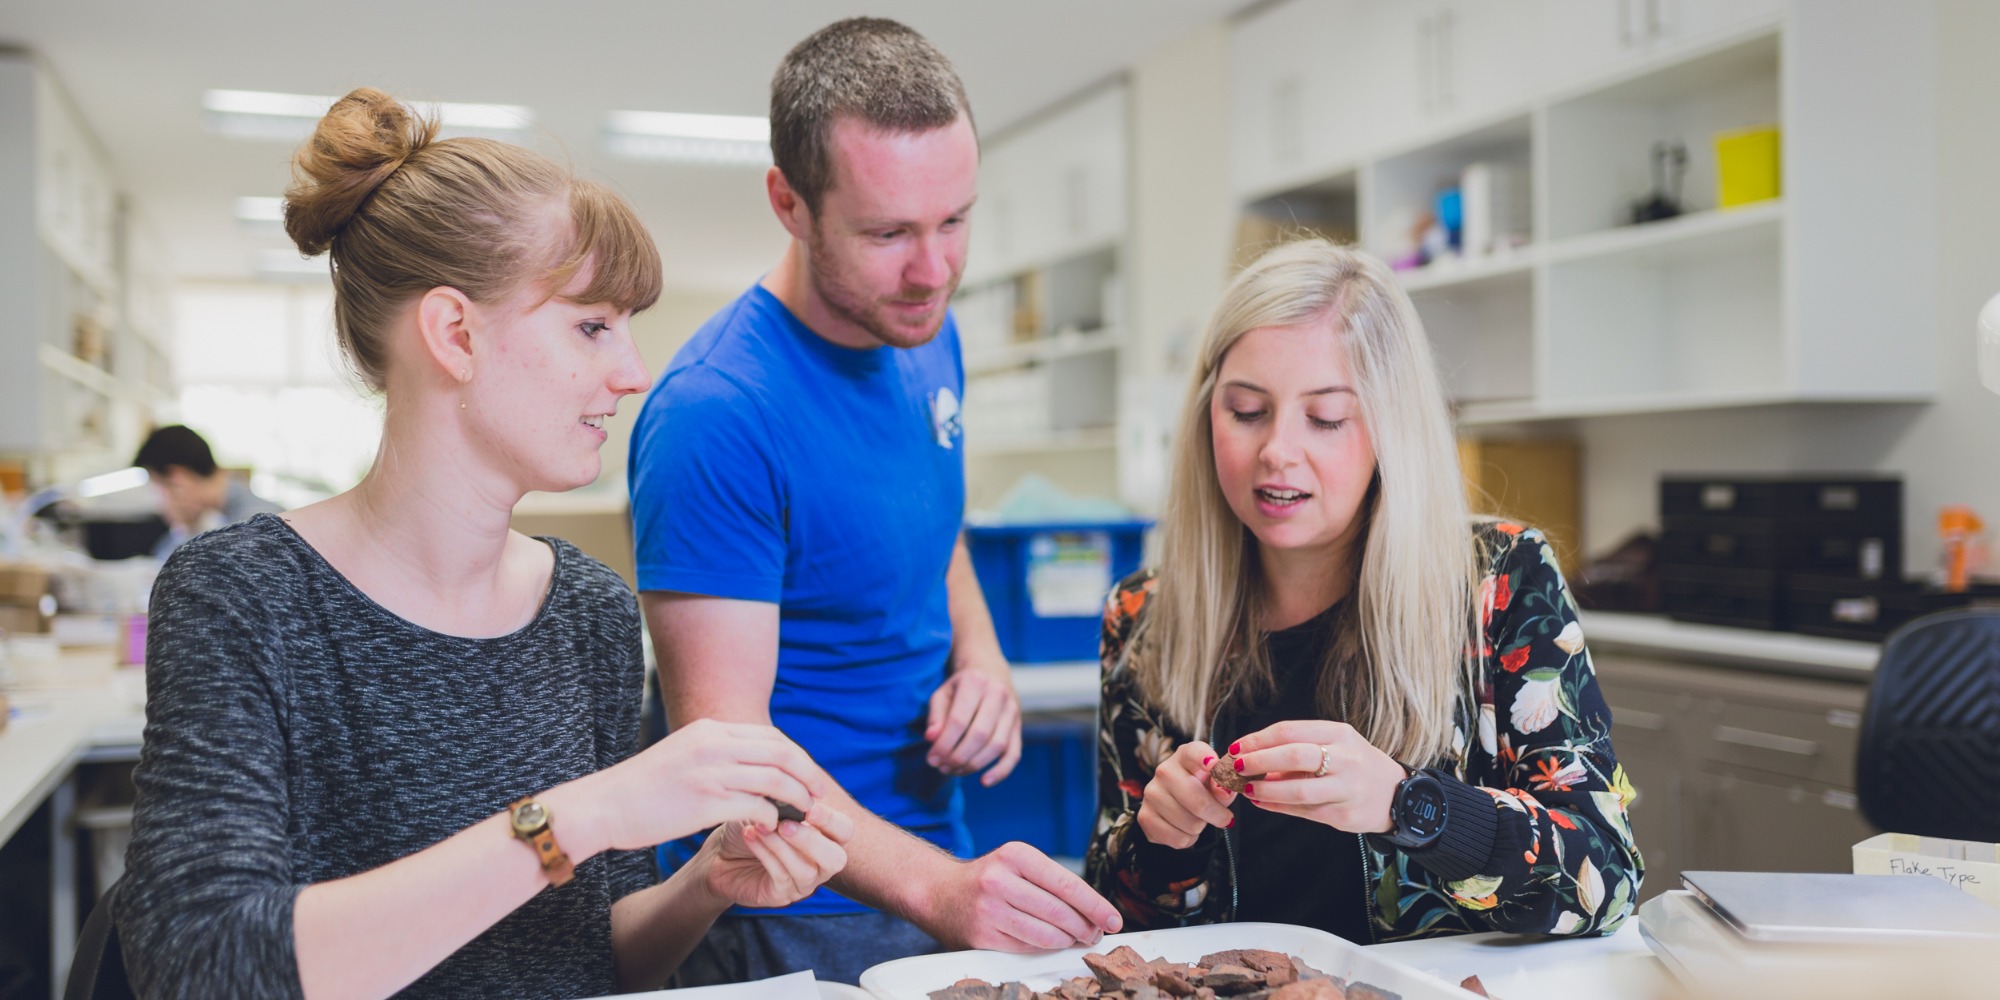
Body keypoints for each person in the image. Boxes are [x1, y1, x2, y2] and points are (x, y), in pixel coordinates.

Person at [114, 88, 853, 1000]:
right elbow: (202, 963)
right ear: (455, 334)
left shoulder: (588, 610)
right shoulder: (243, 595)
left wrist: (704, 884)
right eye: (592, 325)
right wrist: (584, 814)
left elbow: (591, 956)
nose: (632, 373)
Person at [628, 17, 1120, 986]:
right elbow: (730, 759)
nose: (933, 269)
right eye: (889, 232)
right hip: (786, 905)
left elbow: (933, 536)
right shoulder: (716, 413)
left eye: (954, 221)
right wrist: (941, 891)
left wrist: (981, 660)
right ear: (789, 202)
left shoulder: (920, 333)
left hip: (937, 857)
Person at [1084, 239, 1643, 941]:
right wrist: (1161, 843)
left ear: (1390, 429)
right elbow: (1109, 921)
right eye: (1248, 411)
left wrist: (1410, 806)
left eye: (1325, 418)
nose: (1277, 451)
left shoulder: (1502, 581)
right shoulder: (1143, 617)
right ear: (1206, 419)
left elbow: (1606, 874)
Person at [132, 423, 283, 558]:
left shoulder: (251, 527)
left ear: (178, 479)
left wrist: (185, 530)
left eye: (156, 488)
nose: (159, 503)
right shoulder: (227, 516)